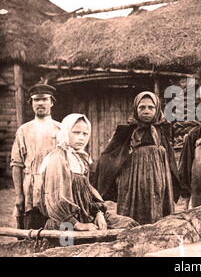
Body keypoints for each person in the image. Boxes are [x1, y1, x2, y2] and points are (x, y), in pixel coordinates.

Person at [39, 114, 138, 231]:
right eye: (76, 133)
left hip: (86, 213)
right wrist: (78, 225)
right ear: (66, 132)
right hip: (66, 221)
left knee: (128, 224)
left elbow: (88, 191)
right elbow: (54, 201)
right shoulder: (58, 158)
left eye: (85, 134)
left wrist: (98, 213)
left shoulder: (81, 159)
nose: (81, 138)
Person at [94, 91, 180, 225]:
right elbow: (109, 155)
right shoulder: (126, 131)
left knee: (157, 214)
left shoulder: (162, 131)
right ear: (135, 109)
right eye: (142, 107)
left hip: (158, 179)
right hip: (132, 181)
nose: (146, 111)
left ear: (157, 109)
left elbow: (169, 158)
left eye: (151, 107)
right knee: (132, 216)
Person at [10, 83, 61, 229]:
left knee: (60, 231)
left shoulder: (61, 129)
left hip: (56, 187)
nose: (40, 103)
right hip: (31, 190)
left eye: (44, 99)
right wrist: (19, 195)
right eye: (36, 100)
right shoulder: (24, 130)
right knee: (31, 230)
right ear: (31, 103)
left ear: (51, 102)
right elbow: (17, 164)